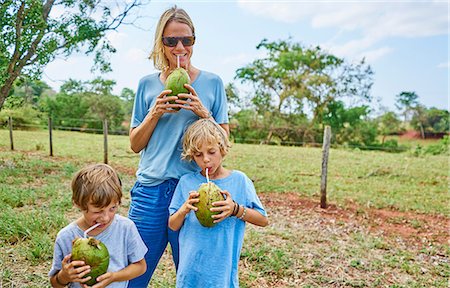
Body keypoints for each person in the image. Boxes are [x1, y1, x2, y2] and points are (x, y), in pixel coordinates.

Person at [127, 5, 229, 286]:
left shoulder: (212, 83)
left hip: (194, 193)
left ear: (194, 41)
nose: (180, 47)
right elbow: (135, 145)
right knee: (134, 273)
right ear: (162, 43)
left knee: (192, 276)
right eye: (172, 41)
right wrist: (155, 113)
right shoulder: (147, 84)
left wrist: (204, 113)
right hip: (151, 192)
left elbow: (225, 142)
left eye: (187, 40)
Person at [168, 119, 269, 287]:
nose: (206, 160)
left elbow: (263, 219)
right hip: (190, 271)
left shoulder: (239, 181)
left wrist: (235, 209)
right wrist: (184, 209)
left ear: (222, 150)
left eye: (211, 152)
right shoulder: (186, 182)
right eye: (198, 155)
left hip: (221, 274)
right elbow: (172, 224)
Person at [49, 164, 147, 288]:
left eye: (112, 208)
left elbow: (140, 267)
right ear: (78, 204)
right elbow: (55, 283)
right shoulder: (66, 236)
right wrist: (64, 276)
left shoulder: (125, 228)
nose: (105, 218)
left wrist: (113, 277)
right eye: (98, 211)